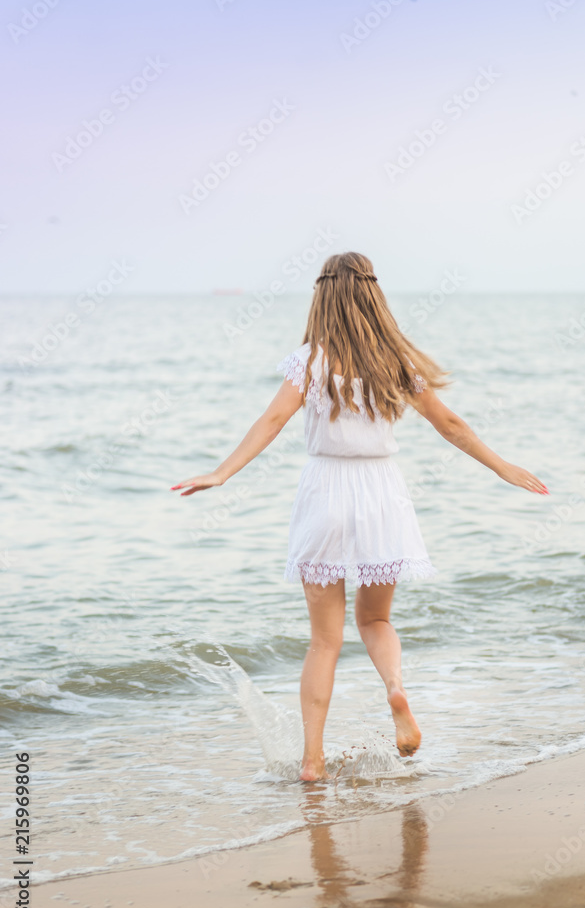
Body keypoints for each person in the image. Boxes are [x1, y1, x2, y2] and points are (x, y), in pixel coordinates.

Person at [171, 252, 548, 782]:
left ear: (322, 296)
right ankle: (394, 688)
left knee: (324, 641)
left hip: (325, 491)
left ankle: (312, 761)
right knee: (376, 620)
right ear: (374, 295)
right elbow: (451, 423)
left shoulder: (310, 360)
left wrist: (223, 472)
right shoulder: (396, 362)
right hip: (381, 494)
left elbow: (273, 418)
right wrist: (502, 466)